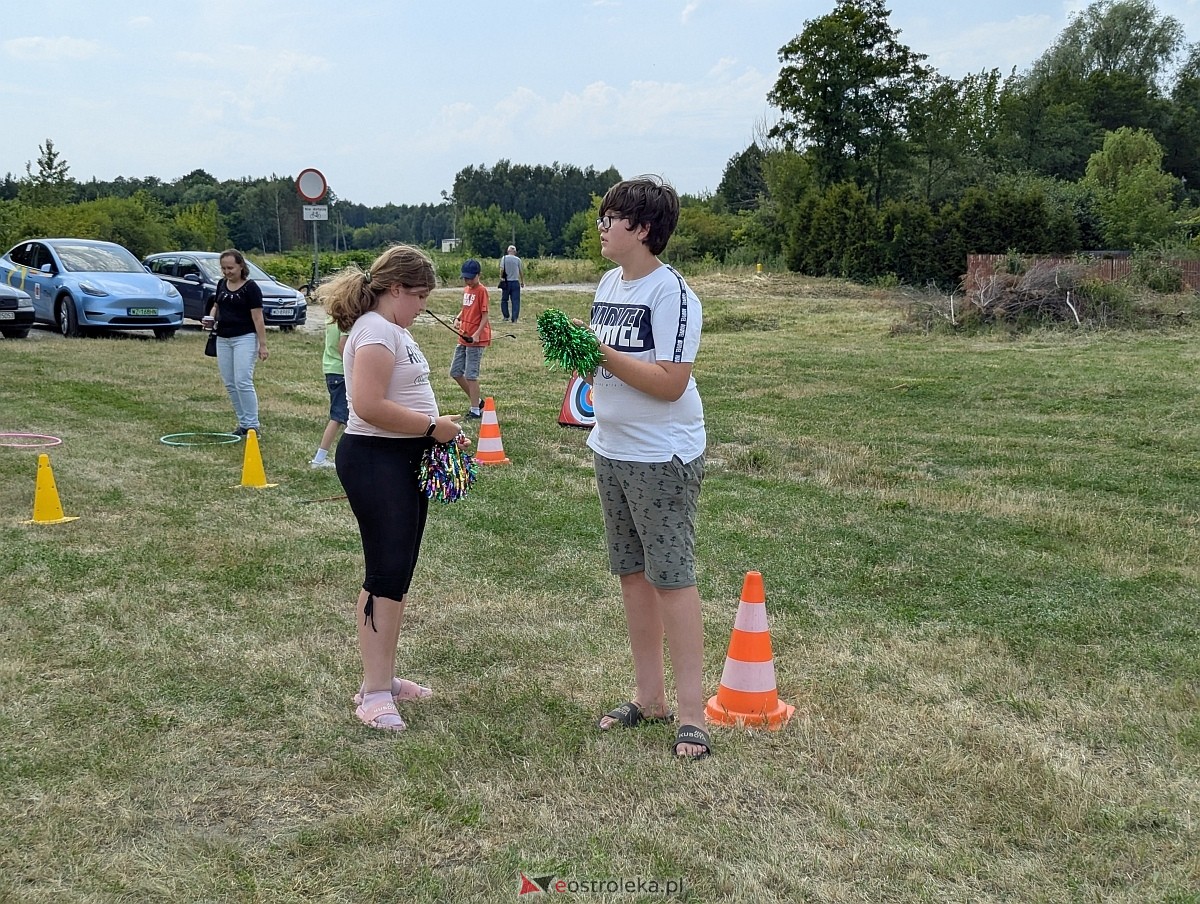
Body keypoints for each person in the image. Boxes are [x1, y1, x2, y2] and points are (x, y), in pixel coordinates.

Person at [587, 177, 711, 760]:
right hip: (611, 448)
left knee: (671, 578)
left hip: (661, 453)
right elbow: (604, 368)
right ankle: (650, 698)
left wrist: (598, 354)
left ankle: (692, 714)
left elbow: (669, 383)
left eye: (611, 219)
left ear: (641, 229)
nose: (602, 228)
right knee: (632, 575)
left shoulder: (674, 294)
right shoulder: (609, 282)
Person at [323, 244, 463, 732]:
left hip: (397, 459)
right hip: (377, 460)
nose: (423, 306)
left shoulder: (388, 329)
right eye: (420, 295)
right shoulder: (379, 331)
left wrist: (431, 430)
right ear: (396, 288)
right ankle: (374, 692)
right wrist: (432, 427)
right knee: (384, 573)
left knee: (395, 573)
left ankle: (381, 678)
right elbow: (366, 406)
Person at [205, 249, 267, 436]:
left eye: (230, 268)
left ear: (241, 266)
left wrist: (262, 345)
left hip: (245, 338)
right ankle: (243, 423)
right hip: (223, 338)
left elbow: (258, 318)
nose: (227, 272)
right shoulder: (221, 284)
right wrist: (210, 318)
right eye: (223, 268)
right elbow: (217, 305)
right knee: (230, 383)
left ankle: (252, 425)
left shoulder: (251, 288)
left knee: (242, 381)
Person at [450, 258, 491, 419]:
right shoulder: (467, 290)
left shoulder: (482, 291)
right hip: (464, 336)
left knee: (471, 375)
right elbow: (465, 308)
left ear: (478, 275)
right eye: (465, 278)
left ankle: (475, 410)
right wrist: (458, 318)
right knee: (455, 371)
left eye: (470, 278)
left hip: (476, 340)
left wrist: (477, 335)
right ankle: (478, 401)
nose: (468, 281)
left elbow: (485, 315)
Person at [309, 313, 348, 469]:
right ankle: (319, 459)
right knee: (339, 416)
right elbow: (343, 347)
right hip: (342, 372)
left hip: (332, 370)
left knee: (343, 416)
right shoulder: (348, 321)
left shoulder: (333, 317)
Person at [499, 244, 524, 323]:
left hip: (506, 282)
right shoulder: (518, 260)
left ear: (508, 251)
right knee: (515, 301)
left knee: (504, 300)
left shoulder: (504, 258)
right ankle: (515, 318)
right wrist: (522, 281)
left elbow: (502, 269)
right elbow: (521, 271)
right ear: (515, 252)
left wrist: (501, 277)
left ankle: (506, 316)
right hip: (515, 282)